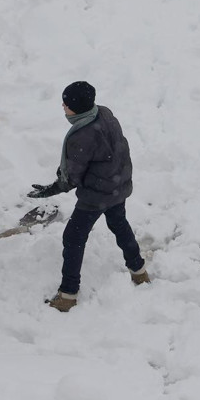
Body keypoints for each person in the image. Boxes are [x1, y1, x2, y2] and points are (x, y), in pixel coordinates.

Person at [28, 81, 149, 312]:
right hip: (117, 185)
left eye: (67, 103)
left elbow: (72, 176)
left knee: (73, 238)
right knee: (119, 224)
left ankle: (68, 295)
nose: (62, 105)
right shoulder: (104, 112)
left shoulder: (82, 135)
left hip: (97, 195)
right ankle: (139, 272)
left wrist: (52, 189)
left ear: (78, 107)